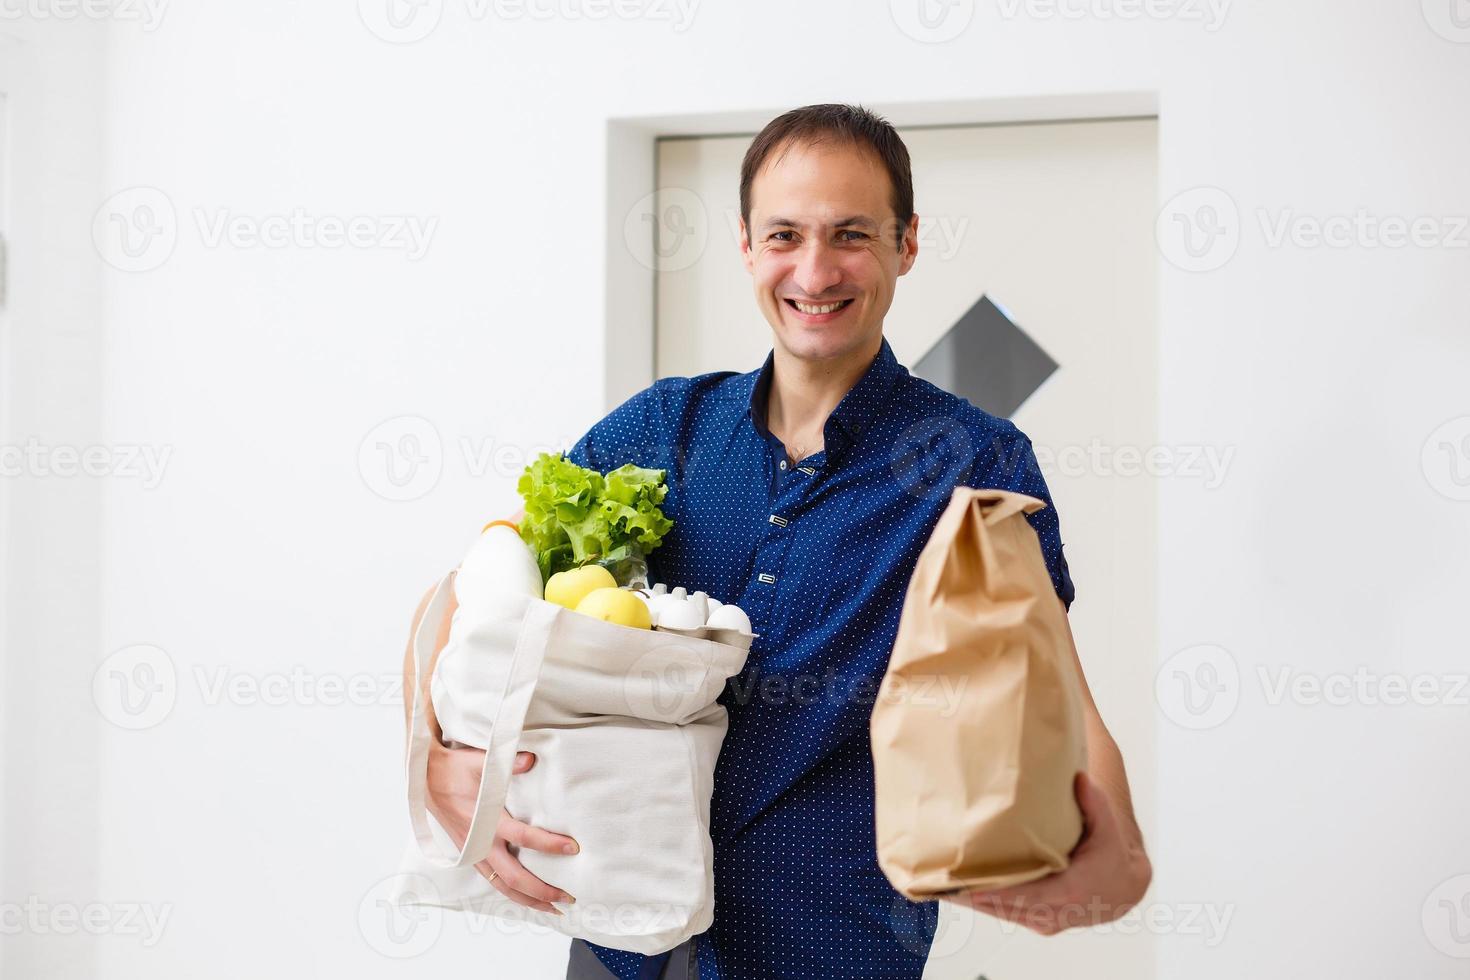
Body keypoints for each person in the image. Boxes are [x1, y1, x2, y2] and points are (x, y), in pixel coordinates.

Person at [404, 103, 1151, 980]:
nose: (815, 268)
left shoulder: (975, 458)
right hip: (621, 938)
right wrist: (438, 759)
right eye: (786, 233)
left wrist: (1120, 854)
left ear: (907, 244)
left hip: (831, 952)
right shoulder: (663, 429)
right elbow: (473, 588)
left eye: (852, 234)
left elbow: (1058, 696)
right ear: (748, 245)